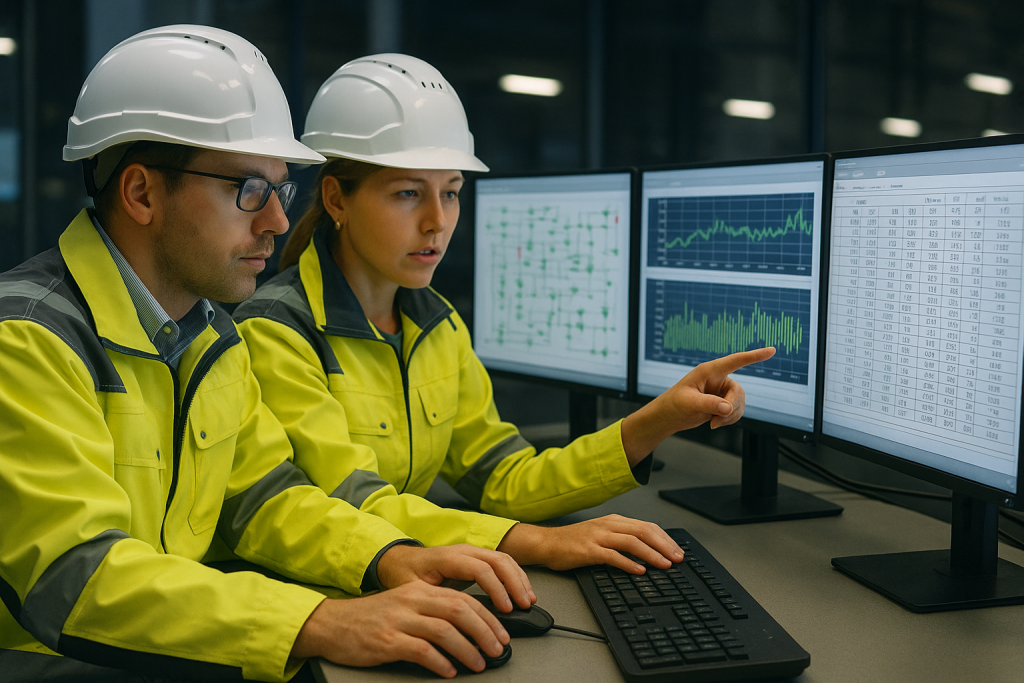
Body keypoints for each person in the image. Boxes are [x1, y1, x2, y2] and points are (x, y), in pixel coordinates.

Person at [0, 27, 542, 683]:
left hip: (163, 649)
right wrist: (322, 621)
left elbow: (265, 496)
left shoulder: (209, 338)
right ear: (141, 193)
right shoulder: (27, 339)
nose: (279, 223)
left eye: (279, 192)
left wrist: (388, 556)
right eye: (248, 189)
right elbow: (74, 576)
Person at [233, 54, 775, 575]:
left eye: (451, 193)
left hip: (409, 576)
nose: (437, 221)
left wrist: (658, 420)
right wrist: (540, 543)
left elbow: (502, 476)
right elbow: (354, 503)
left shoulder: (435, 324)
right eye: (408, 193)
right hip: (329, 588)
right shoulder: (278, 332)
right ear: (336, 200)